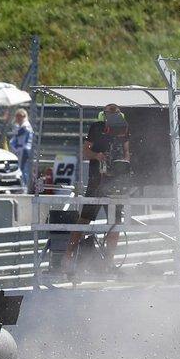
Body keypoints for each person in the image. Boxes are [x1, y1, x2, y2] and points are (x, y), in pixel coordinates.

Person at [62, 103, 131, 272]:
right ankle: (68, 256)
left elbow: (128, 153)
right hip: (96, 181)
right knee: (85, 219)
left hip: (115, 182)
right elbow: (85, 151)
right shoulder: (96, 127)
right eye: (110, 114)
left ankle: (108, 261)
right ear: (104, 115)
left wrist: (123, 166)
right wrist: (98, 156)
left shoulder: (124, 130)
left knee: (115, 223)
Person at [7, 108, 34, 191]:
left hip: (23, 149)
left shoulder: (25, 126)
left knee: (21, 168)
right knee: (21, 168)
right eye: (17, 116)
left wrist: (13, 123)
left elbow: (17, 133)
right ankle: (22, 185)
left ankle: (24, 186)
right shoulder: (24, 125)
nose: (17, 118)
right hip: (21, 149)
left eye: (19, 116)